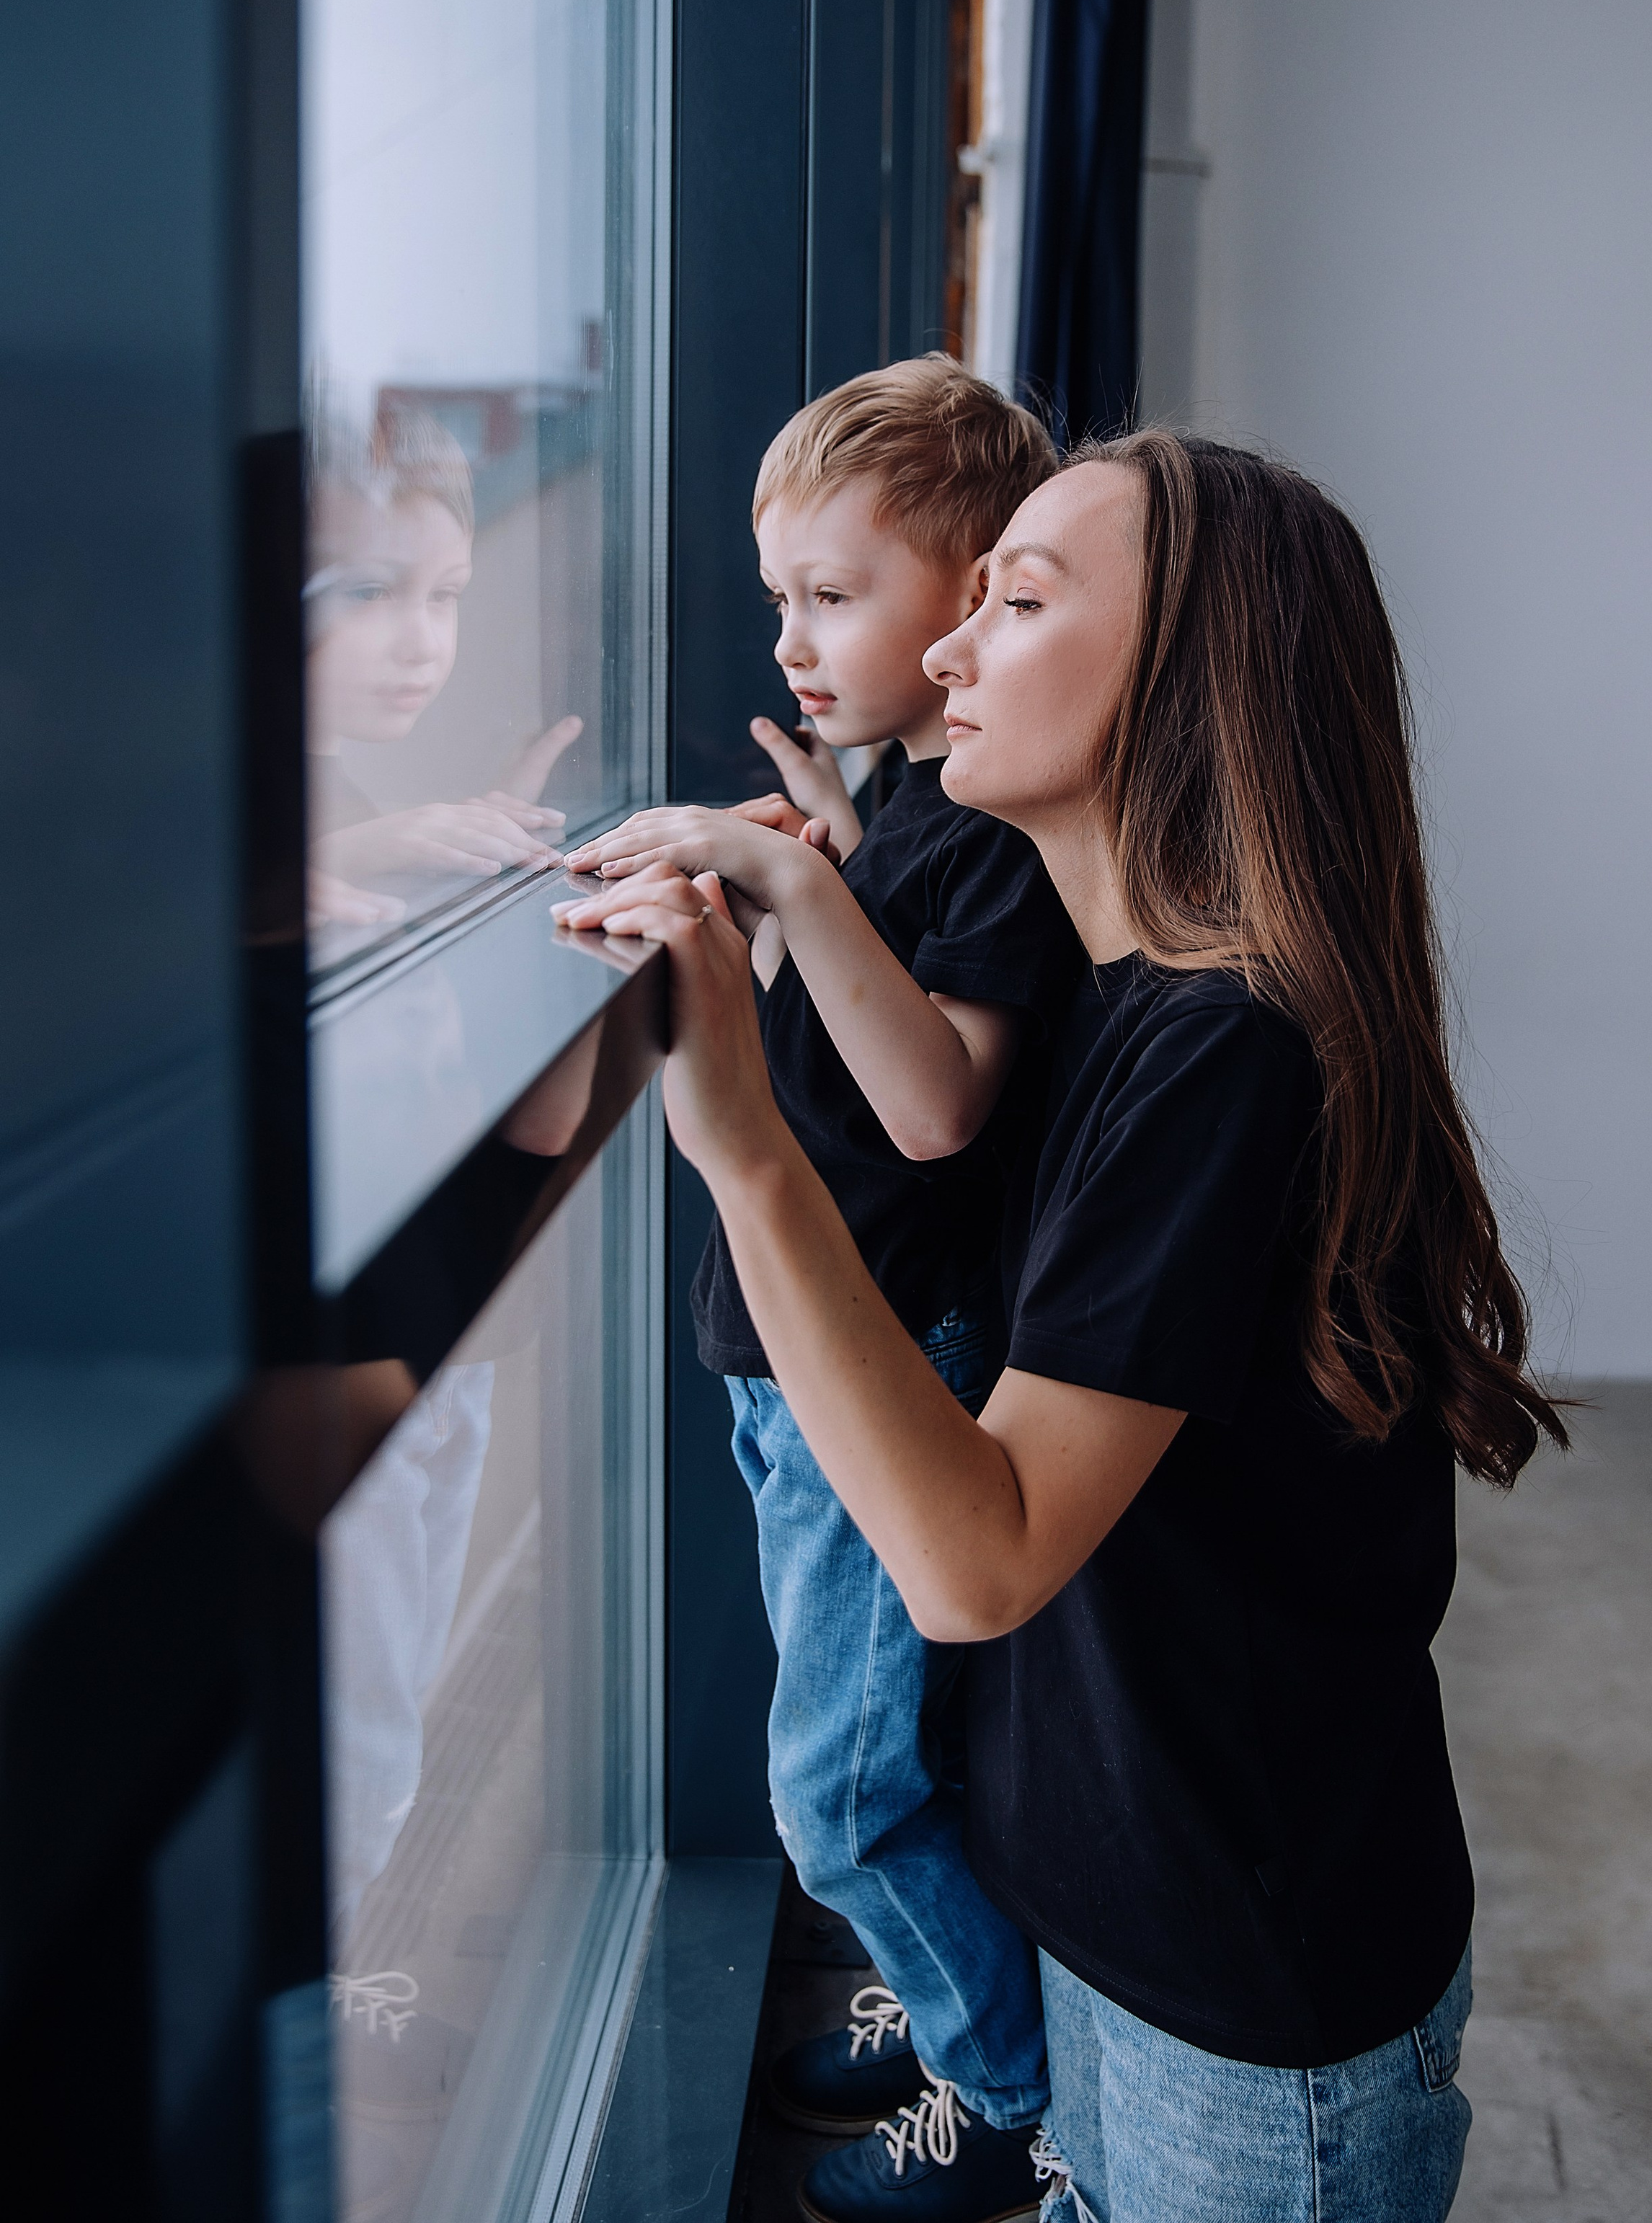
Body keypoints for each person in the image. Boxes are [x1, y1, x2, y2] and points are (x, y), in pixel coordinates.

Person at [579, 432, 1568, 2223]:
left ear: (1190, 676)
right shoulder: (1127, 1003)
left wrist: (739, 1145)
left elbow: (978, 1557)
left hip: (1245, 2002)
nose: (947, 650)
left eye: (1013, 601)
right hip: (1117, 1920)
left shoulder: (1222, 1050)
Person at [558, 360, 1078, 2222]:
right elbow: (869, 1020)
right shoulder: (913, 817)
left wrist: (787, 887)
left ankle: (1008, 2097)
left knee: (839, 1793)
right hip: (789, 1358)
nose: (788, 635)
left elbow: (934, 1103)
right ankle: (949, 2011)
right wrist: (820, 869)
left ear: (967, 603)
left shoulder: (994, 833)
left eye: (831, 596)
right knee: (870, 1761)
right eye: (779, 596)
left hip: (870, 1366)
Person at [305, 395, 582, 931]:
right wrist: (347, 854)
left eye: (445, 594)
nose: (423, 645)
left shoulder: (321, 789)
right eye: (369, 591)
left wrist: (484, 832)